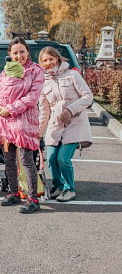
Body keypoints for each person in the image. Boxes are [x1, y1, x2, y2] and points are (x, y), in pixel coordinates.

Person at [0, 37, 45, 214]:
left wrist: (10, 109)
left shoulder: (35, 71)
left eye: (22, 51)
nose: (19, 55)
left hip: (23, 123)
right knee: (9, 161)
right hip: (5, 124)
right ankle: (13, 192)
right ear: (10, 55)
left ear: (27, 52)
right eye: (15, 52)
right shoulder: (5, 72)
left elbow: (32, 97)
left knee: (27, 160)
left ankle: (33, 198)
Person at [38, 46, 93, 202]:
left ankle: (70, 189)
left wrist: (70, 110)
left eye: (51, 59)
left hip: (74, 123)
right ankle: (59, 186)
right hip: (55, 124)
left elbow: (88, 96)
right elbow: (44, 111)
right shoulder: (43, 82)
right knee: (52, 158)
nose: (48, 62)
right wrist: (38, 133)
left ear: (57, 59)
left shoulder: (72, 75)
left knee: (63, 159)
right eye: (45, 60)